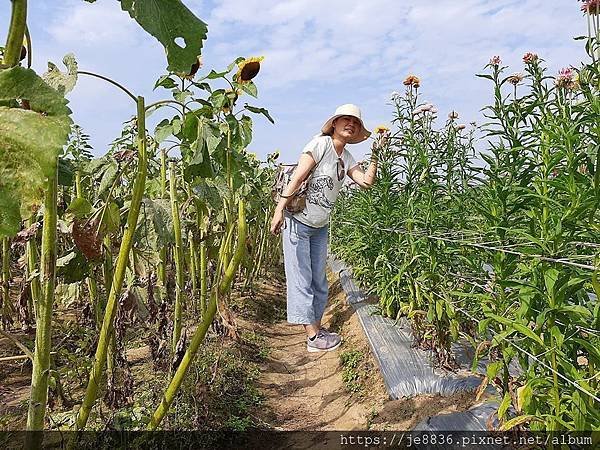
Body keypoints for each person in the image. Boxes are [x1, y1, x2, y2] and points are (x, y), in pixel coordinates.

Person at [270, 104, 381, 352]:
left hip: (319, 226)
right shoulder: (319, 145)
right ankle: (312, 338)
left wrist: (376, 156)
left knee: (319, 280)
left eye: (355, 123)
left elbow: (365, 182)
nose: (350, 124)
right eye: (346, 119)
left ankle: (317, 331)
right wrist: (278, 210)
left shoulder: (347, 157)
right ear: (334, 123)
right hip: (297, 222)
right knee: (302, 279)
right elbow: (297, 177)